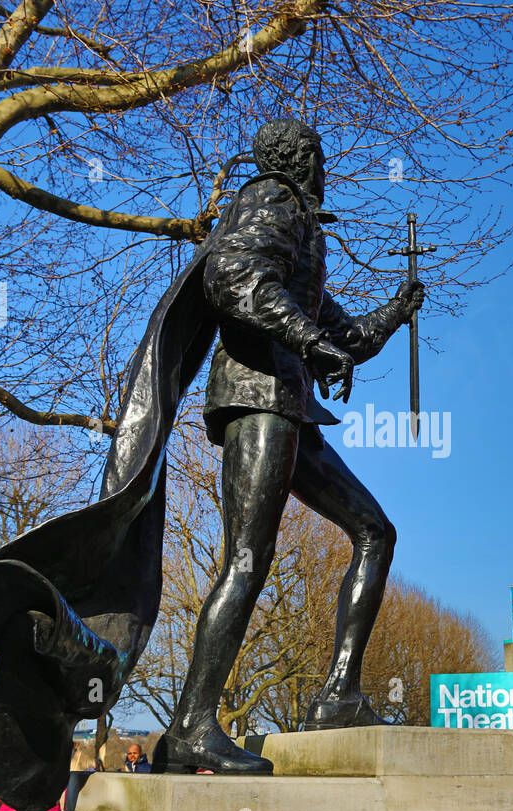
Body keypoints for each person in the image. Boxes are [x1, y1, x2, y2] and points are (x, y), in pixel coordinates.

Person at [151, 118, 425, 774]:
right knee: (247, 560)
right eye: (318, 156)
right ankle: (191, 724)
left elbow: (343, 335)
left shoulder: (301, 230)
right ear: (297, 160)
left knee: (374, 532)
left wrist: (396, 309)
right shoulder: (272, 199)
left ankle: (338, 696)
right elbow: (237, 281)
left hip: (293, 411)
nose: (323, 167)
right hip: (258, 400)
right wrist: (310, 342)